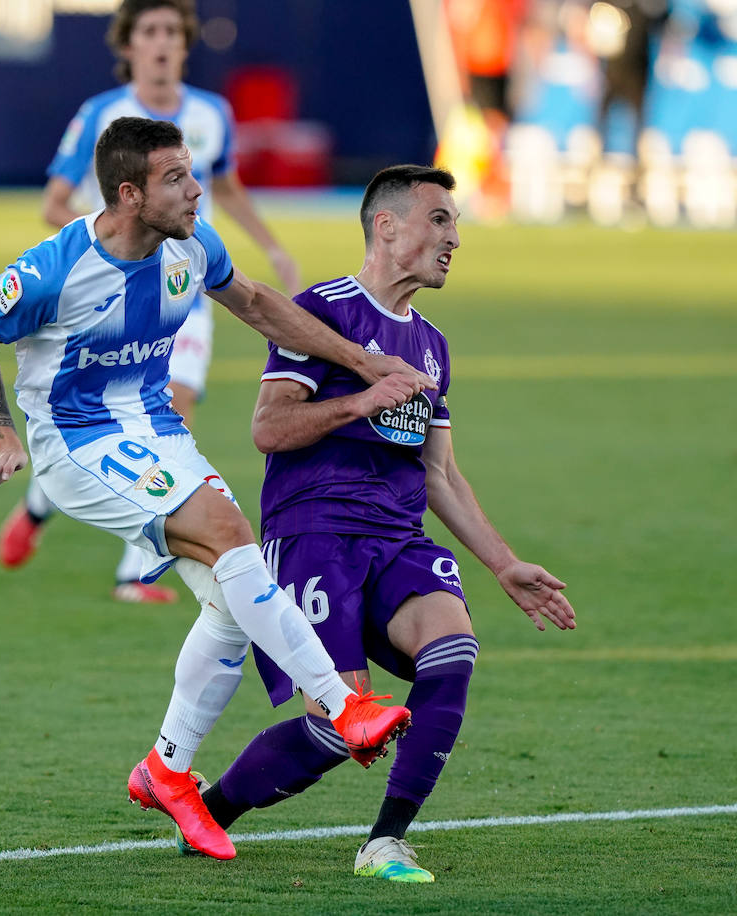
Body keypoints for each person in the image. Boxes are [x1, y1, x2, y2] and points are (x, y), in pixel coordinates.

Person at [0, 117, 433, 861]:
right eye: (175, 178)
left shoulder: (190, 243)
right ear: (128, 193)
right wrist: (4, 437)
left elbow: (259, 304)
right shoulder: (52, 270)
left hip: (157, 434)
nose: (195, 189)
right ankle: (347, 707)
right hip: (76, 444)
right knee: (233, 541)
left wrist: (361, 361)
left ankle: (167, 769)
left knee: (231, 598)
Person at [180, 165, 576, 881]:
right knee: (339, 731)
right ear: (387, 226)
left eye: (454, 223)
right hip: (314, 536)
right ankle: (213, 807)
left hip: (397, 538)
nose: (455, 238)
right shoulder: (321, 311)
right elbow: (269, 429)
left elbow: (441, 473)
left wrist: (504, 563)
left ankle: (384, 841)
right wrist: (359, 401)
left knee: (453, 651)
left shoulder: (432, 346)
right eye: (440, 220)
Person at [0, 0, 301, 605]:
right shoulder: (102, 117)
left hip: (184, 291)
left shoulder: (212, 113)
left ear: (186, 44)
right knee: (111, 418)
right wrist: (107, 246)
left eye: (171, 32)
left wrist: (271, 245)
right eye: (149, 32)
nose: (161, 43)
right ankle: (50, 511)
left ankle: (129, 571)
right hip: (108, 296)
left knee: (171, 414)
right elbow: (55, 203)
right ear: (128, 45)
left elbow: (225, 185)